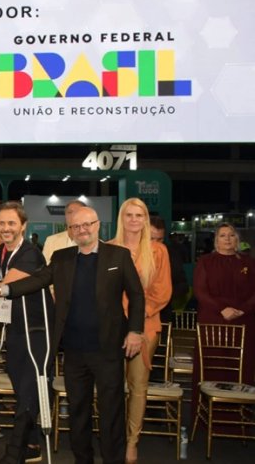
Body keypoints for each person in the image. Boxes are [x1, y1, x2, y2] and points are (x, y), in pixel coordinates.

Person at [0, 206, 145, 464]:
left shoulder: (118, 256)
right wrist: (1, 290)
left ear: (98, 225)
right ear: (70, 231)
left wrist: (135, 330)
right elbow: (38, 280)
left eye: (87, 224)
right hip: (72, 350)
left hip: (108, 348)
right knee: (78, 412)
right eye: (75, 226)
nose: (82, 230)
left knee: (111, 412)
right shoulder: (62, 257)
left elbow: (137, 295)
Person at [108, 198, 171, 464]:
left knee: (137, 387)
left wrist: (137, 314)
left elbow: (162, 291)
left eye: (139, 215)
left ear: (145, 219)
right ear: (121, 218)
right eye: (129, 215)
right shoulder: (108, 248)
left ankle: (132, 442)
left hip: (145, 326)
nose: (134, 220)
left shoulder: (158, 251)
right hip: (111, 327)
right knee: (110, 387)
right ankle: (112, 439)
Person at [0, 201, 53, 464]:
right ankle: (32, 445)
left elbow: (2, 286)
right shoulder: (0, 252)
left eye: (11, 223)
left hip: (36, 332)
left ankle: (14, 453)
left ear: (23, 226)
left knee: (29, 391)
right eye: (2, 223)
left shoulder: (30, 253)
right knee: (22, 390)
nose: (6, 228)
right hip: (15, 330)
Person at [192, 223, 255, 408]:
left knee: (243, 368)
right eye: (222, 235)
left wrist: (243, 309)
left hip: (244, 322)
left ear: (237, 239)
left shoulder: (249, 262)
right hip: (213, 321)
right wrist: (222, 309)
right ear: (216, 240)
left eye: (231, 235)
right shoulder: (205, 261)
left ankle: (239, 415)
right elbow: (200, 291)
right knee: (213, 366)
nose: (227, 238)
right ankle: (208, 413)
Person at [149, 215, 189, 323]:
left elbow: (182, 285)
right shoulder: (131, 253)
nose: (155, 244)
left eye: (159, 239)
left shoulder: (172, 255)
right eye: (151, 239)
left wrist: (163, 296)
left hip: (162, 315)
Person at [41, 199, 86, 265]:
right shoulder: (51, 241)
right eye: (70, 212)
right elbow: (45, 267)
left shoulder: (96, 244)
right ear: (65, 216)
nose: (73, 215)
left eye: (78, 212)